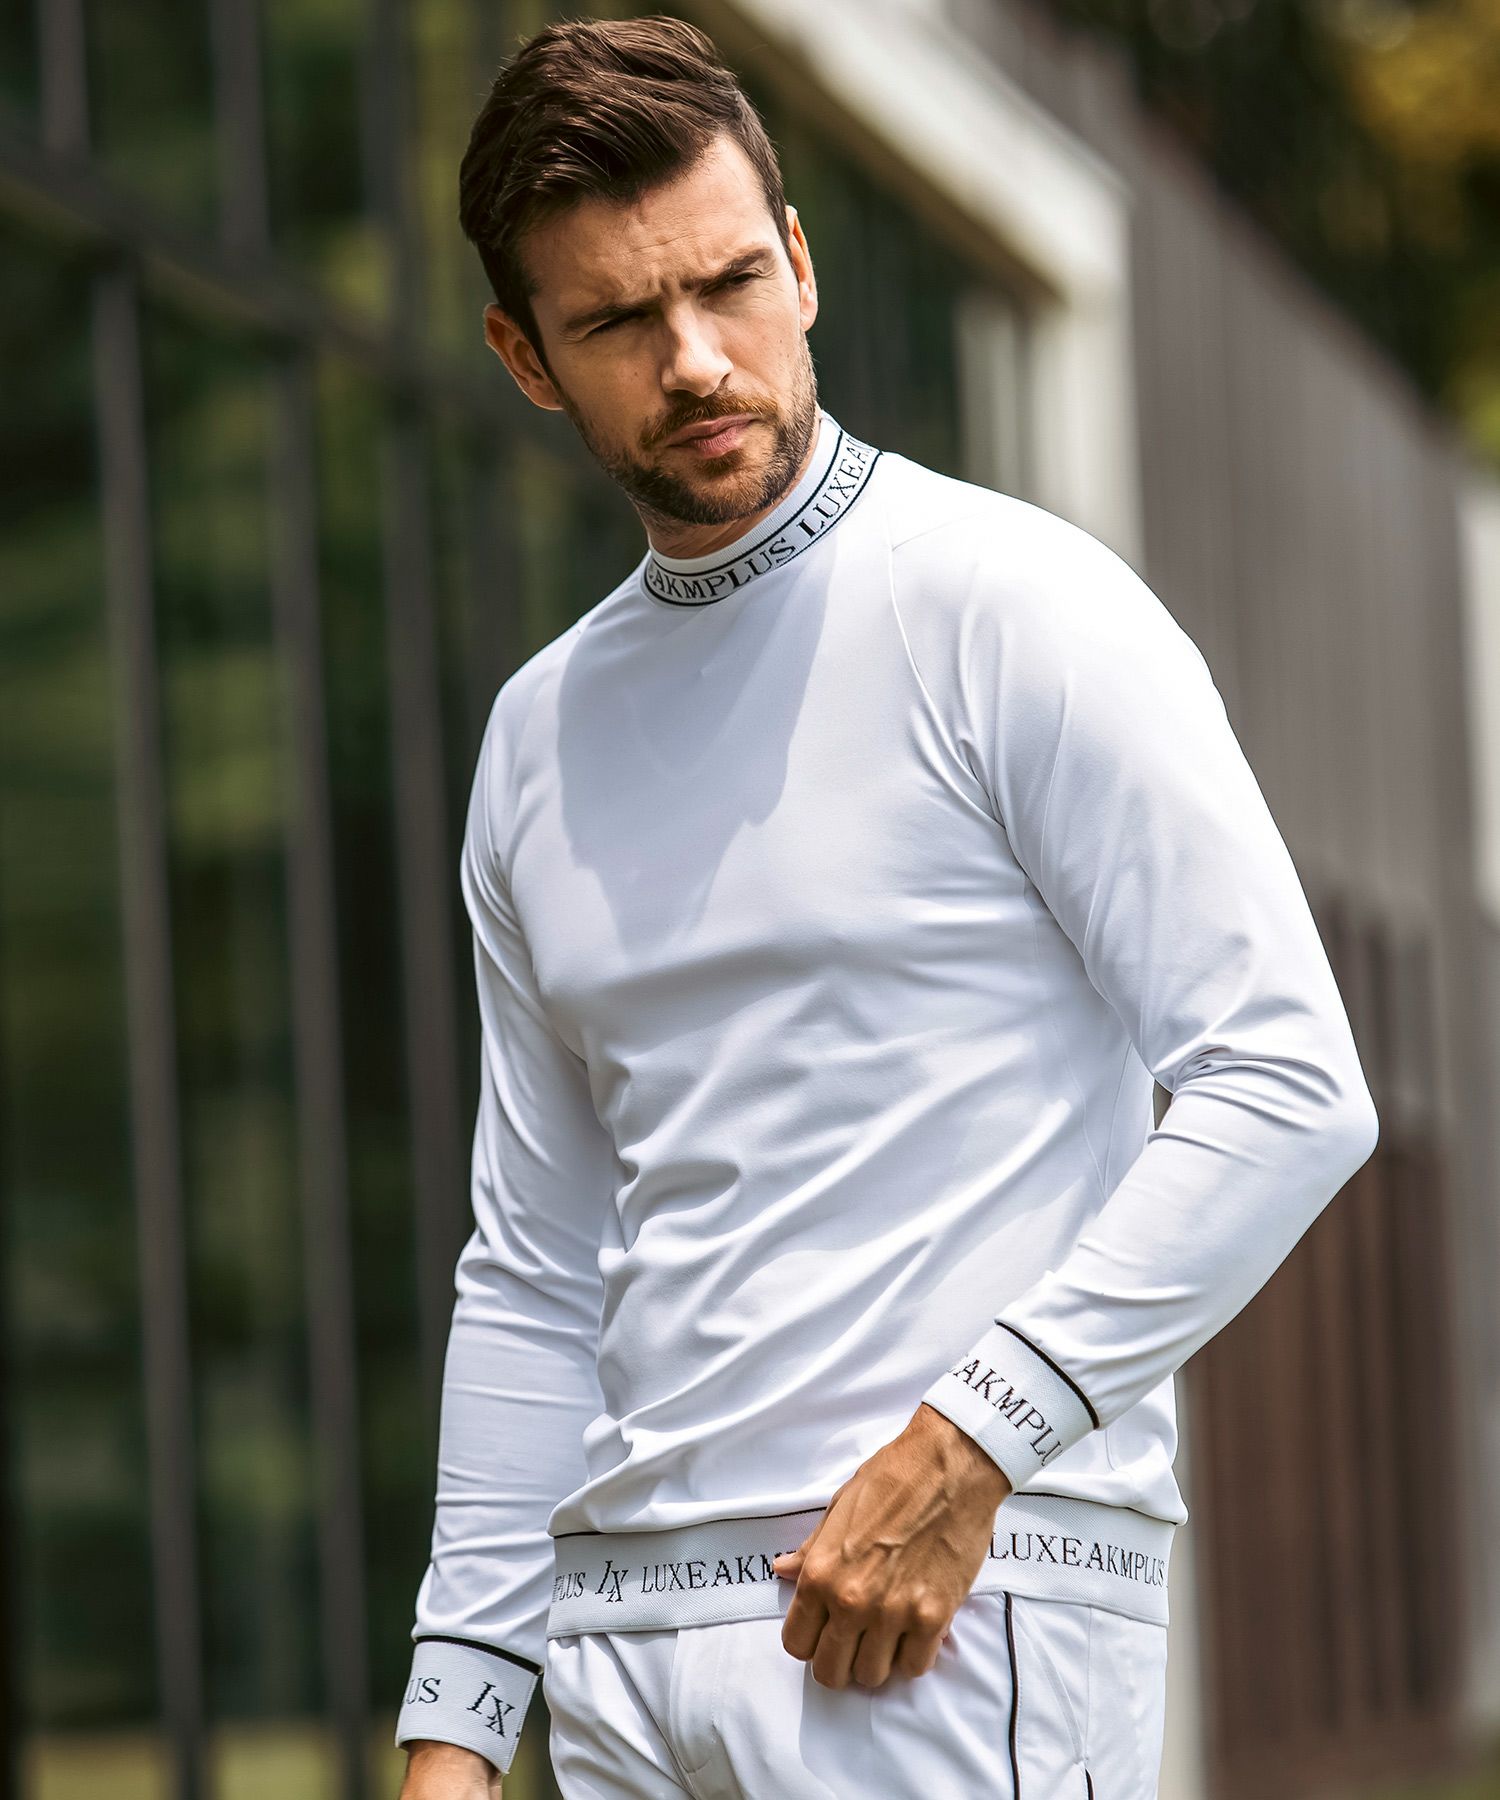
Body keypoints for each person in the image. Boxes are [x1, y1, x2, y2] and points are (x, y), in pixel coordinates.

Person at [395, 15, 1379, 1799]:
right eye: (617, 321)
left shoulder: (1008, 606)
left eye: (727, 284)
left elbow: (1288, 1084)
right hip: (621, 1665)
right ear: (524, 356)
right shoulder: (537, 734)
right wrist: (459, 1721)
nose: (697, 361)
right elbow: (536, 1265)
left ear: (800, 262)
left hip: (943, 1620)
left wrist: (968, 1449)